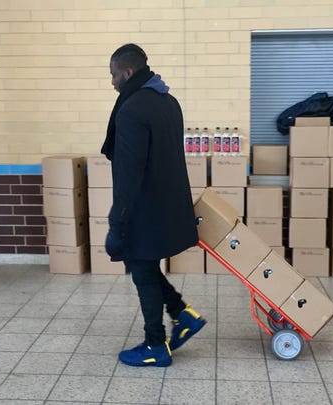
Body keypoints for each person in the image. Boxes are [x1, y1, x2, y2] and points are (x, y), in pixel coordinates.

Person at [101, 43, 206, 367]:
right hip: (168, 206)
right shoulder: (168, 102)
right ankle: (181, 314)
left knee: (143, 274)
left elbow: (130, 173)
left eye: (114, 75)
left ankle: (155, 345)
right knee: (145, 267)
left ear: (128, 71)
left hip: (143, 209)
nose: (113, 82)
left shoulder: (132, 109)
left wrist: (117, 222)